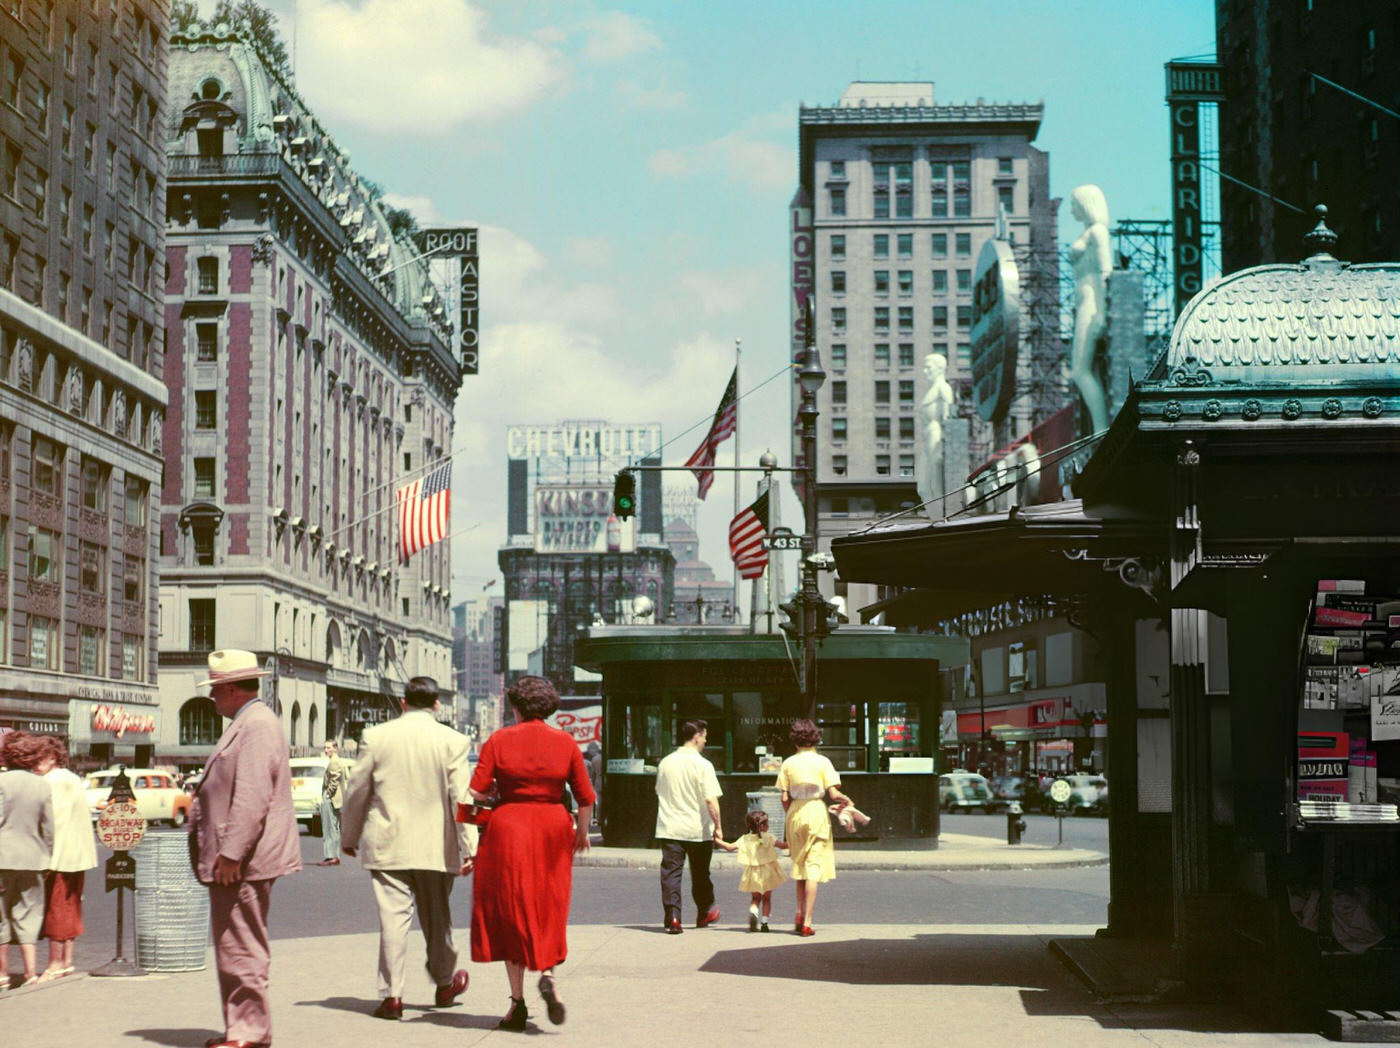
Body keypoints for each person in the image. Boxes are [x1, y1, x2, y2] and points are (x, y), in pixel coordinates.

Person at [339, 676, 474, 1021]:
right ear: (437, 704)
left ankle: (392, 996)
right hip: (435, 845)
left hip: (388, 842)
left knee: (392, 921)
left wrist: (349, 836)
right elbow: (461, 798)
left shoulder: (376, 737)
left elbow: (356, 790)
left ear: (403, 703)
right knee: (438, 918)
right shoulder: (454, 740)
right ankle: (444, 984)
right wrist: (469, 845)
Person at [188, 649, 301, 1048]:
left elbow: (252, 795)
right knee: (237, 943)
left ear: (232, 688)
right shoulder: (251, 721)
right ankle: (245, 1026)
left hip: (242, 860)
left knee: (241, 945)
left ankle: (249, 1031)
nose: (213, 698)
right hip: (241, 857)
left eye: (216, 690)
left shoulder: (255, 725)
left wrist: (231, 853)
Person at [470, 676, 593, 1032]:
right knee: (549, 904)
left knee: (511, 909)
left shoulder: (499, 739)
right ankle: (550, 976)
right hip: (554, 826)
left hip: (509, 827)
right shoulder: (566, 742)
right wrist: (582, 833)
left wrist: (496, 790)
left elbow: (476, 791)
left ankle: (517, 1004)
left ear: (516, 706)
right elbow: (586, 797)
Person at [777, 719, 853, 937]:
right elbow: (834, 794)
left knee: (799, 864)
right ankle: (808, 921)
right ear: (815, 738)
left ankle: (798, 913)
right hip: (816, 812)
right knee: (813, 868)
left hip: (795, 812)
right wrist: (846, 800)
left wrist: (790, 814)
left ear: (795, 740)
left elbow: (784, 797)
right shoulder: (823, 762)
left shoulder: (788, 763)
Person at [654, 719, 723, 935]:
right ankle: (704, 911)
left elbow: (659, 791)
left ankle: (673, 917)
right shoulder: (703, 765)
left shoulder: (665, 763)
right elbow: (711, 800)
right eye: (704, 736)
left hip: (670, 827)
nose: (705, 740)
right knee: (701, 873)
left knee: (671, 874)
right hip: (697, 828)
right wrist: (718, 826)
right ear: (696, 736)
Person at [36, 736, 97, 981]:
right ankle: (67, 962)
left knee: (57, 908)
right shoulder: (72, 778)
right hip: (78, 853)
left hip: (60, 854)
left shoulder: (52, 781)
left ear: (52, 757)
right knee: (71, 906)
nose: (34, 764)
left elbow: (54, 821)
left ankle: (55, 964)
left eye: (38, 758)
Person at [0, 732, 55, 988]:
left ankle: (3, 974)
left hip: (2, 857)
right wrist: (48, 855)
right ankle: (31, 973)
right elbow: (49, 827)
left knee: (1, 917)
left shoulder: (1, 782)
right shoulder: (41, 785)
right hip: (33, 858)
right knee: (29, 914)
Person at [1068, 183, 1113, 435]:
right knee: (1086, 368)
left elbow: (1106, 271)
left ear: (1086, 204)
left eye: (1074, 204)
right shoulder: (1088, 232)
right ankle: (1099, 427)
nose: (1071, 209)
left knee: (1080, 369)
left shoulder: (1098, 232)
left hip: (1092, 304)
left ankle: (1100, 428)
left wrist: (1103, 313)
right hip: (1083, 304)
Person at [713, 809, 788, 932]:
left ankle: (754, 911)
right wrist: (797, 840)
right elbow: (783, 846)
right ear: (763, 826)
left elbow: (729, 847)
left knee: (755, 898)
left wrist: (716, 840)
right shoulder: (769, 837)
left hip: (753, 873)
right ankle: (764, 923)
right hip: (768, 871)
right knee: (767, 899)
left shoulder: (745, 838)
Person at [917, 352, 955, 520]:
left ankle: (942, 518)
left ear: (940, 368)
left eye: (928, 367)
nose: (925, 371)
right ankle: (936, 518)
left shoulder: (944, 388)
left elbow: (949, 416)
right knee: (923, 487)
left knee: (936, 483)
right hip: (927, 438)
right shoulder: (932, 390)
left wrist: (946, 443)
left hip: (936, 435)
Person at [317, 740, 347, 866]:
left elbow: (334, 780)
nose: (326, 750)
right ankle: (334, 855)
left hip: (331, 798)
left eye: (328, 747)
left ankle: (331, 856)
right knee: (334, 827)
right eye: (325, 747)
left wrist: (328, 794)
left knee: (329, 827)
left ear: (335, 748)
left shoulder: (334, 762)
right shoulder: (336, 761)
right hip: (335, 798)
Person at [584, 741, 602, 826]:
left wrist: (594, 784)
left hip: (598, 783)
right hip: (608, 783)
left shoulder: (595, 759)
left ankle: (599, 819)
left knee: (599, 802)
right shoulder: (607, 757)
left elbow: (593, 774)